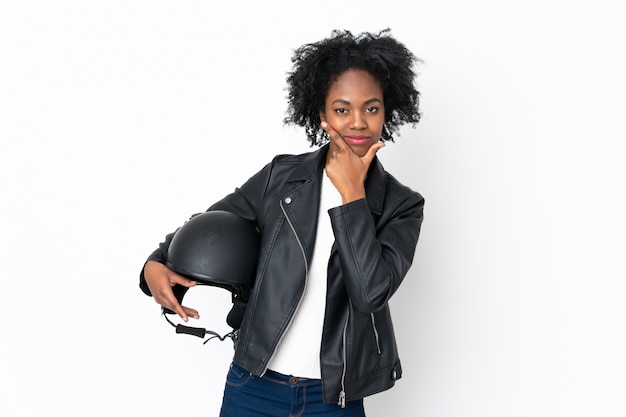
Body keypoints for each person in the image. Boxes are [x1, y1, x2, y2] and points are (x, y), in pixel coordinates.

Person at [139, 28, 425, 417]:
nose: (358, 122)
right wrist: (156, 261)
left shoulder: (401, 205)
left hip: (333, 399)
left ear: (386, 112)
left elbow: (370, 293)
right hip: (253, 386)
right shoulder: (282, 177)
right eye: (342, 110)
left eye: (371, 108)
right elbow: (213, 222)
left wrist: (352, 196)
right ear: (322, 115)